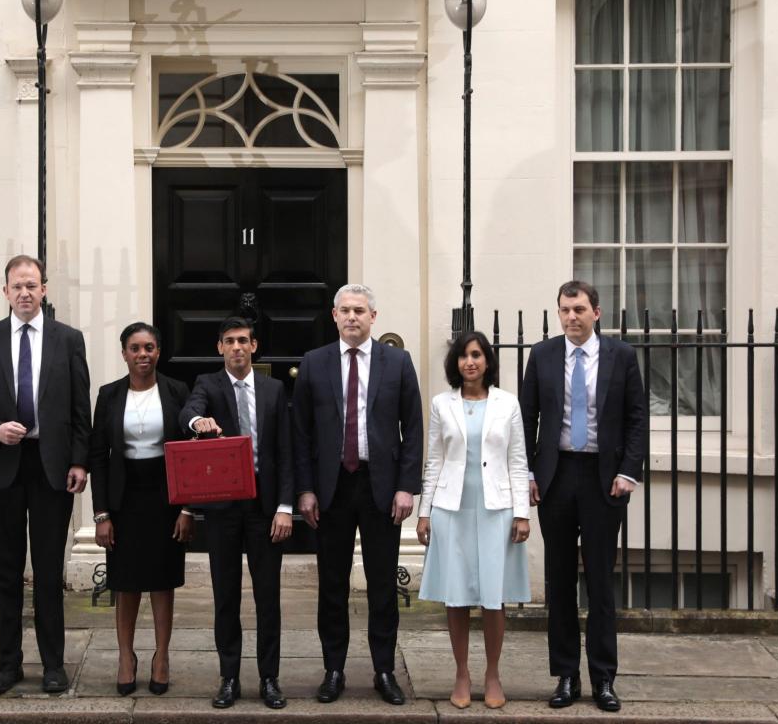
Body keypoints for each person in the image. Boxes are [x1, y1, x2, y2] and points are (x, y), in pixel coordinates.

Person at [0, 255, 91, 696]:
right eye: (17, 286)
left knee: (50, 571)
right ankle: (8, 662)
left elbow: (80, 408)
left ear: (44, 289)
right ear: (5, 292)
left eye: (32, 285)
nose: (25, 293)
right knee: (6, 573)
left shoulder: (68, 340)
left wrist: (80, 460)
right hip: (3, 465)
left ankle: (53, 664)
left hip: (52, 467)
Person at [519, 280, 647, 713]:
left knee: (599, 582)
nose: (570, 317)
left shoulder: (622, 357)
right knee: (558, 581)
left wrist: (629, 471)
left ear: (597, 312)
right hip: (555, 477)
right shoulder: (542, 355)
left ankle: (604, 679)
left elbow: (636, 418)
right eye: (564, 310)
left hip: (602, 477)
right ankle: (566, 676)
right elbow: (527, 419)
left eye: (578, 309)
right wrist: (529, 475)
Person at [292, 283, 422, 706]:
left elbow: (413, 430)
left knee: (383, 583)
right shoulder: (314, 363)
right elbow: (301, 433)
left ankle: (384, 669)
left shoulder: (397, 362)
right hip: (331, 489)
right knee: (332, 584)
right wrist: (306, 489)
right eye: (345, 310)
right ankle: (334, 668)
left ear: (373, 317)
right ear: (334, 316)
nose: (352, 317)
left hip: (380, 487)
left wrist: (407, 486)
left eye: (360, 311)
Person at [179, 316, 294, 710]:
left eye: (243, 340)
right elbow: (189, 412)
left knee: (268, 597)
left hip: (265, 508)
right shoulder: (207, 386)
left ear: (254, 345)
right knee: (225, 595)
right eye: (229, 341)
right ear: (220, 348)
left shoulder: (275, 389)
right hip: (225, 507)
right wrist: (198, 421)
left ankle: (269, 678)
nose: (237, 348)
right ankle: (228, 677)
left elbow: (286, 451)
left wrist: (285, 507)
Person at [416, 331, 531, 710]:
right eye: (464, 355)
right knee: (457, 595)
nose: (470, 362)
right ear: (456, 363)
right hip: (453, 509)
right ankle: (462, 672)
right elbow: (433, 460)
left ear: (487, 361)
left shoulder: (507, 404)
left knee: (493, 598)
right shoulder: (441, 404)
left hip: (496, 508)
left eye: (477, 355)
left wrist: (521, 513)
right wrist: (424, 512)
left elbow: (517, 461)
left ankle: (493, 673)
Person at [88, 322, 193, 696]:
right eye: (135, 348)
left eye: (149, 347)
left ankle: (162, 657)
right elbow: (98, 456)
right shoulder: (109, 395)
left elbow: (189, 455)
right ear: (124, 354)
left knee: (163, 581)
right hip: (124, 497)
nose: (143, 355)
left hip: (166, 498)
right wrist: (101, 515)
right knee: (126, 581)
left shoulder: (177, 391)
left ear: (158, 351)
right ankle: (125, 657)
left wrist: (187, 509)